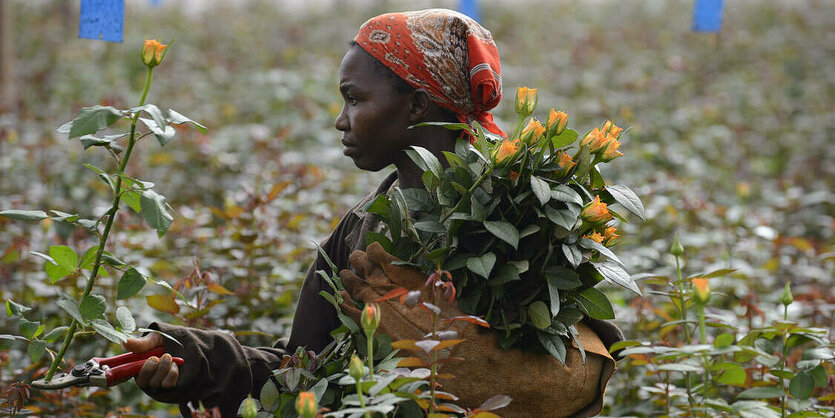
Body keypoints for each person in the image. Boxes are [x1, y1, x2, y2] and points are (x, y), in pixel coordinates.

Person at [125, 9, 623, 417]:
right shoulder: (362, 227)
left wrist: (449, 351)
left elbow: (577, 362)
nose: (341, 120)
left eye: (354, 98)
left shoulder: (520, 210)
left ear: (416, 106)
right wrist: (197, 359)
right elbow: (305, 373)